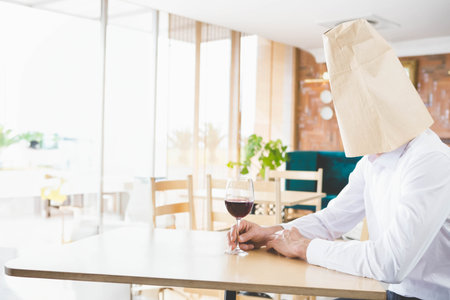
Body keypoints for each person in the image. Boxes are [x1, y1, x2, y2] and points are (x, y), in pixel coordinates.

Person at [227, 19, 450, 300]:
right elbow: (331, 220)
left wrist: (305, 247)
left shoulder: (430, 161)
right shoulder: (372, 161)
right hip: (386, 290)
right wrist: (271, 233)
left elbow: (391, 263)